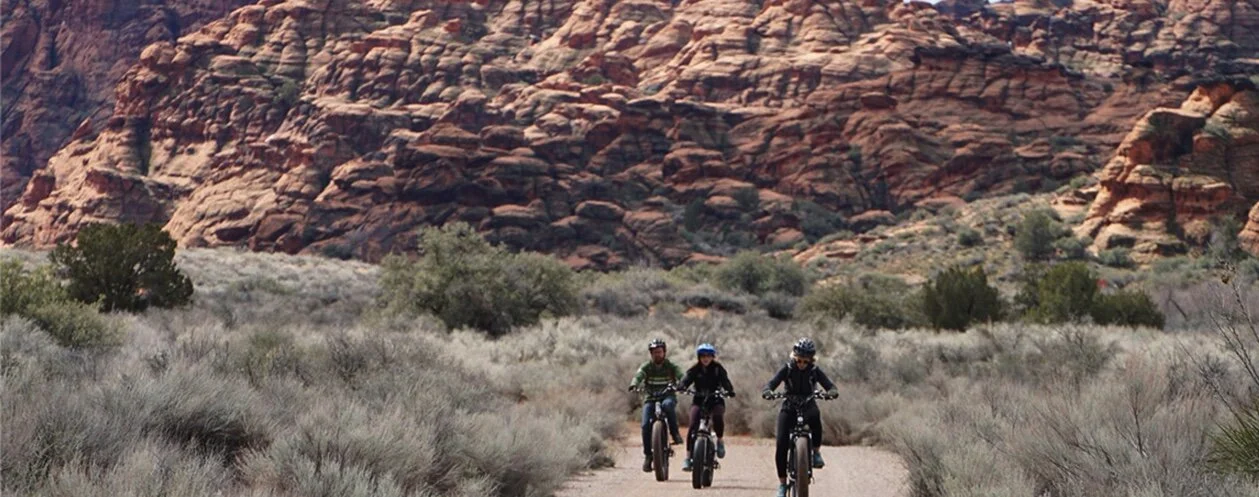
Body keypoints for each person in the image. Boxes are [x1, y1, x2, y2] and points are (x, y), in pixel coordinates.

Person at [761, 338, 839, 497]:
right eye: (799, 360)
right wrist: (768, 391)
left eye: (805, 361)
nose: (802, 364)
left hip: (808, 404)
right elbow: (771, 383)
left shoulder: (814, 371)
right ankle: (782, 484)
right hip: (789, 406)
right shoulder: (787, 369)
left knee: (816, 417)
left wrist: (831, 392)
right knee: (781, 443)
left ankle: (816, 452)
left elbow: (830, 385)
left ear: (811, 360)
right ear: (794, 357)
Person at [627, 338, 685, 472]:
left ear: (664, 352)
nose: (657, 354)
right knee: (645, 424)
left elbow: (681, 375)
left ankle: (675, 433)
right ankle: (648, 456)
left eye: (659, 352)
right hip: (650, 398)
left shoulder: (670, 366)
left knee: (668, 406)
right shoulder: (647, 366)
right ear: (651, 354)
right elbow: (639, 375)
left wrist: (683, 384)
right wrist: (634, 384)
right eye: (654, 352)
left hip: (667, 395)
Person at [677, 343, 736, 472]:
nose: (705, 358)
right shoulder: (695, 369)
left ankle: (719, 440)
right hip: (698, 400)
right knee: (693, 425)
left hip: (715, 399)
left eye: (708, 356)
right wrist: (681, 386)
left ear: (712, 357)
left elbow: (725, 382)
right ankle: (688, 457)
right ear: (699, 357)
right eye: (703, 355)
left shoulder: (718, 368)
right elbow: (686, 380)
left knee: (717, 417)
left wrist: (729, 390)